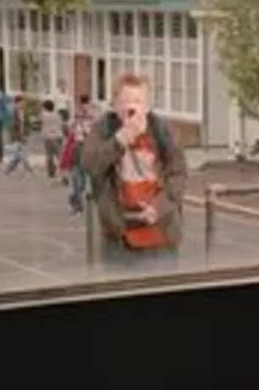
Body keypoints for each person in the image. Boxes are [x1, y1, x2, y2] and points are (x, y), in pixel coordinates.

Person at [82, 73, 186, 271]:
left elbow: (178, 174)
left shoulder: (162, 131)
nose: (131, 107)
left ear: (147, 106)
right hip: (119, 238)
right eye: (125, 101)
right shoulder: (104, 130)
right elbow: (91, 164)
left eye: (138, 101)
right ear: (114, 105)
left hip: (160, 236)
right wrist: (120, 140)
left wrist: (158, 207)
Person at [65, 94, 98, 213]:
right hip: (80, 147)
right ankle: (76, 201)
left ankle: (77, 201)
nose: (85, 110)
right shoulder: (79, 118)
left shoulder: (88, 118)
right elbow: (70, 131)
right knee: (78, 176)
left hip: (82, 147)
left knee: (81, 177)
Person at [5, 95, 33, 175]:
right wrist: (18, 135)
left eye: (24, 102)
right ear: (17, 103)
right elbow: (12, 125)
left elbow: (27, 123)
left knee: (19, 154)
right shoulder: (13, 112)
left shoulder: (24, 112)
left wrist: (26, 133)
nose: (24, 104)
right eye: (22, 102)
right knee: (21, 153)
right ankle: (28, 168)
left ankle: (9, 169)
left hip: (23, 134)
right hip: (17, 135)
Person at [39, 99, 64, 179]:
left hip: (48, 137)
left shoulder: (44, 115)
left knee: (49, 155)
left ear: (45, 107)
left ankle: (51, 172)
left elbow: (40, 120)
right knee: (59, 154)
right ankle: (63, 170)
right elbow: (61, 125)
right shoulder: (58, 115)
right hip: (58, 136)